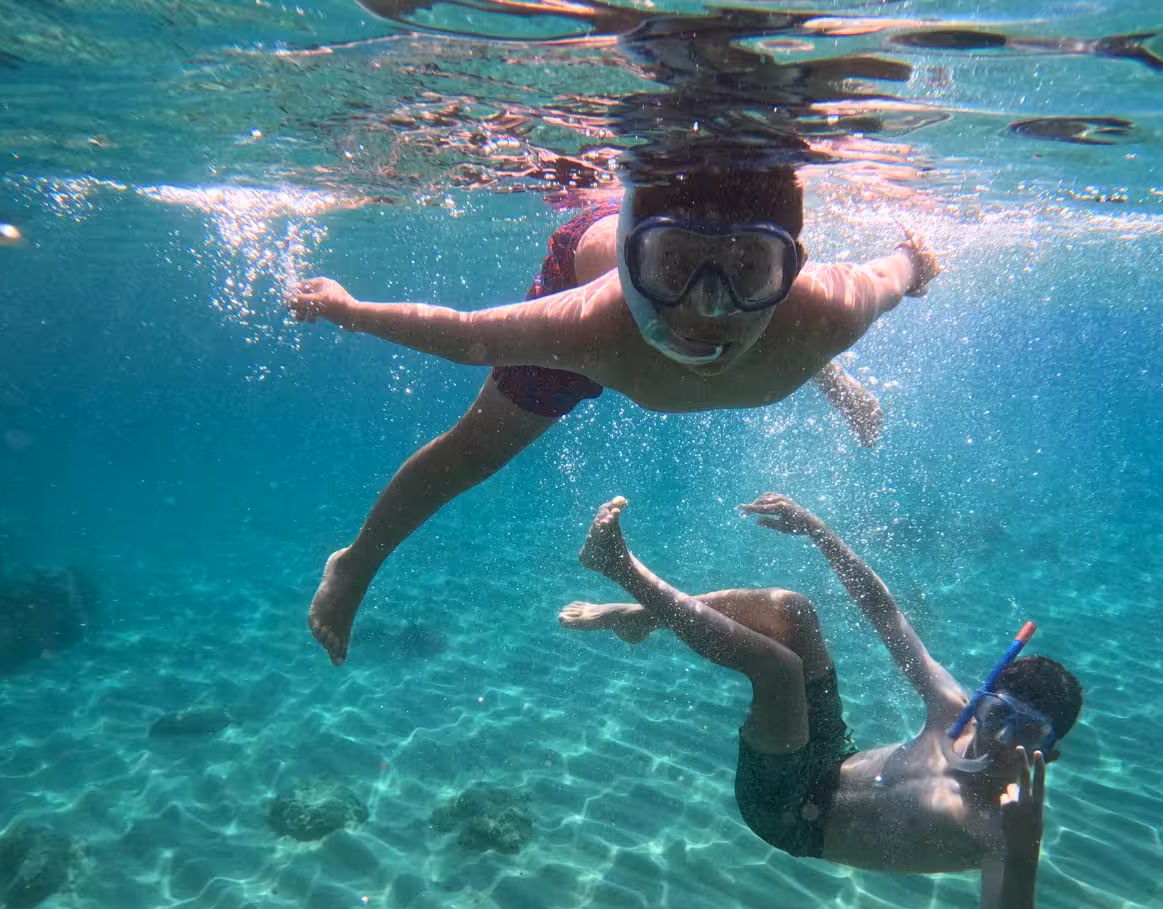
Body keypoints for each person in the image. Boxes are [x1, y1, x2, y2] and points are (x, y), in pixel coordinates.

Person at [288, 163, 939, 665]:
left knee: (779, 330)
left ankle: (805, 353)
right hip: (592, 261)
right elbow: (467, 335)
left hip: (755, 311)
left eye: (748, 270)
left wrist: (915, 262)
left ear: (789, 270)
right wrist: (352, 311)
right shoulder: (591, 325)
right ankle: (354, 564)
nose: (706, 308)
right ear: (636, 265)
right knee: (475, 451)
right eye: (673, 267)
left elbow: (897, 271)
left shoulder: (825, 311)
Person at [559, 493, 1082, 909]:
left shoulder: (1001, 831)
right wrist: (819, 531)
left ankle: (620, 568)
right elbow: (886, 615)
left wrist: (1024, 852)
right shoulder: (952, 711)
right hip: (830, 757)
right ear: (983, 697)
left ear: (1049, 753)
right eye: (1000, 714)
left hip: (788, 814)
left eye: (1029, 731)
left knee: (778, 669)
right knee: (792, 609)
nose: (1003, 737)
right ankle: (642, 618)